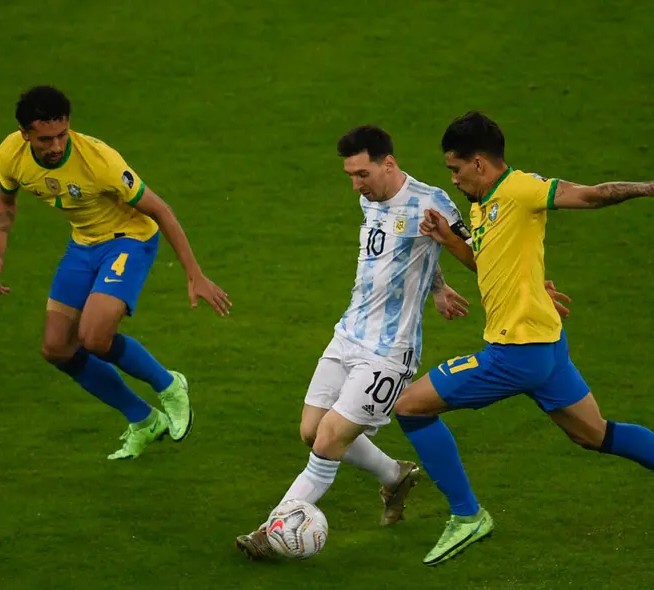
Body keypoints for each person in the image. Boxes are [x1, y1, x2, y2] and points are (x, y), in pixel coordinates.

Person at [394, 111, 654, 566]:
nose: (454, 180)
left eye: (455, 170)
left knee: (409, 406)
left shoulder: (522, 189)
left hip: (515, 353)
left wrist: (653, 187)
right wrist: (449, 239)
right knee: (595, 434)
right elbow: (491, 264)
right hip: (546, 346)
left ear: (478, 163)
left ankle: (467, 515)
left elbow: (592, 196)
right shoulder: (485, 204)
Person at [235, 125, 571, 559]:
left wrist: (529, 286)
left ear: (388, 164)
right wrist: (437, 288)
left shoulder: (431, 201)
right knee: (310, 431)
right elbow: (403, 253)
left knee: (329, 440)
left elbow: (484, 253)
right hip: (347, 333)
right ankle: (395, 475)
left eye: (362, 174)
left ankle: (272, 529)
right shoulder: (369, 200)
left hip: (389, 352)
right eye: (351, 176)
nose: (356, 185)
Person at [0, 85, 230, 460]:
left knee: (96, 337)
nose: (55, 145)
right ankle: (144, 419)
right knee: (56, 348)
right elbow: (5, 200)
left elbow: (161, 210)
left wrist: (194, 274)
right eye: (46, 138)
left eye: (62, 134)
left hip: (128, 239)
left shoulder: (99, 161)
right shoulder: (11, 154)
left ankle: (170, 385)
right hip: (82, 244)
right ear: (25, 135)